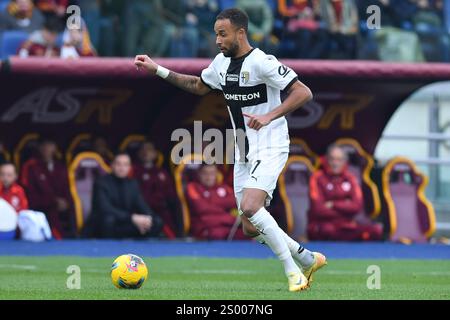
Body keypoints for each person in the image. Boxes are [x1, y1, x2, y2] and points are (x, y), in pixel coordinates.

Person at [135, 8, 325, 292]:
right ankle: (306, 258)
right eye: (215, 35)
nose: (217, 40)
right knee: (250, 226)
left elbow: (303, 92)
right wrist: (158, 70)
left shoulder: (262, 62)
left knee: (251, 207)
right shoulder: (220, 64)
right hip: (243, 150)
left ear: (240, 33)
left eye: (222, 34)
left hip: (271, 145)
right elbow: (198, 85)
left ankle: (293, 273)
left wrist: (269, 115)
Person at [308, 144, 383, 241]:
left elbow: (357, 206)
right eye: (332, 159)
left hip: (346, 226)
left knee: (376, 230)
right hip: (324, 226)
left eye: (339, 159)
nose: (335, 163)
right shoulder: (317, 177)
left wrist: (333, 204)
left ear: (345, 161)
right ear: (326, 160)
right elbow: (318, 209)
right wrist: (346, 206)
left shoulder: (351, 178)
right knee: (327, 230)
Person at [88, 153, 163, 239]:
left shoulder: (132, 184)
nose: (122, 168)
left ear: (129, 167)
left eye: (125, 164)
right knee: (108, 220)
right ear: (112, 165)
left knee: (156, 221)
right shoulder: (101, 183)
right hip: (106, 224)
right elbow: (105, 209)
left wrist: (147, 219)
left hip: (126, 223)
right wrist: (132, 218)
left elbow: (142, 205)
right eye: (118, 164)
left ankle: (143, 249)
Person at [20, 139, 75, 238]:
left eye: (50, 145)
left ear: (54, 148)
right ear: (39, 148)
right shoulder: (31, 167)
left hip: (60, 208)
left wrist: (67, 203)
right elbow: (30, 193)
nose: (46, 149)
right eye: (43, 145)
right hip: (41, 208)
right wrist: (53, 201)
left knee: (72, 209)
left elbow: (67, 189)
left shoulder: (61, 167)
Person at [133, 141, 180, 237]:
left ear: (155, 153)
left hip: (162, 212)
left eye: (149, 149)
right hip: (141, 212)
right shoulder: (133, 171)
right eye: (143, 149)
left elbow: (171, 197)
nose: (145, 152)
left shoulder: (162, 173)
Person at [186, 164, 245, 240]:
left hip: (229, 227)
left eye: (212, 173)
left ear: (217, 174)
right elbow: (202, 208)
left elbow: (237, 202)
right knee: (216, 232)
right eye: (205, 173)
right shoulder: (193, 187)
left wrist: (211, 202)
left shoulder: (224, 188)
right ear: (199, 174)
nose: (208, 177)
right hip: (206, 228)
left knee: (249, 233)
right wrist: (228, 215)